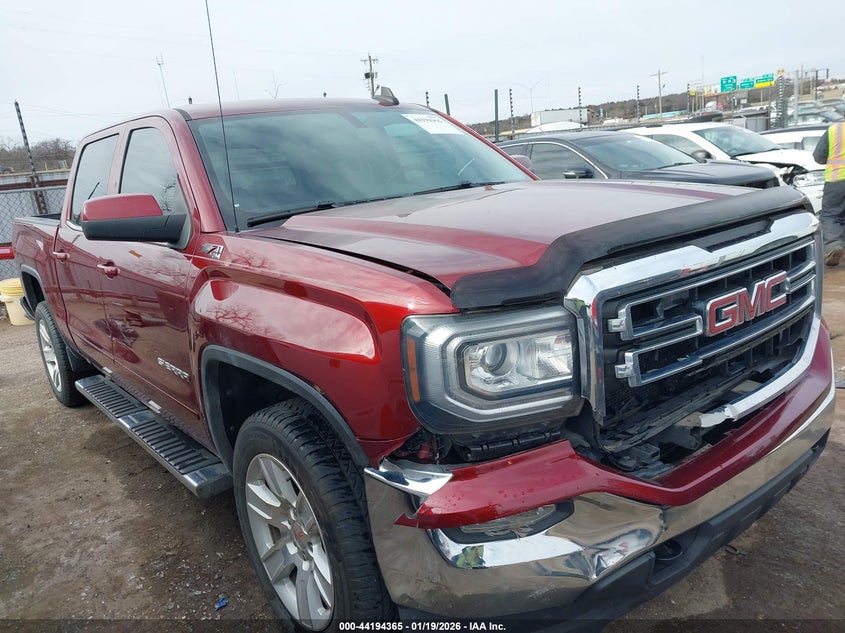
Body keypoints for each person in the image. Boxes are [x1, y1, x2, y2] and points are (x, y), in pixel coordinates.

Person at [813, 120, 845, 267]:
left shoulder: (835, 130)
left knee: (831, 215)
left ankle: (833, 246)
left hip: (836, 181)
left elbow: (818, 157)